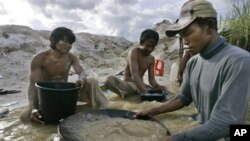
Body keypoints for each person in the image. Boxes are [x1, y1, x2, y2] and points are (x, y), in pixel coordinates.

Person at [136, 0, 250, 141]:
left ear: (210, 26)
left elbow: (226, 123)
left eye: (188, 33)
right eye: (182, 36)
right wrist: (153, 111)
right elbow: (183, 97)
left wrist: (176, 139)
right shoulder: (193, 63)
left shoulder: (239, 61)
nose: (184, 41)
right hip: (201, 127)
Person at [27, 27, 109, 124]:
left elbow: (82, 72)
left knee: (91, 80)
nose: (69, 45)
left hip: (66, 95)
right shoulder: (39, 59)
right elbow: (33, 86)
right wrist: (34, 108)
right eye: (65, 41)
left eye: (70, 42)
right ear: (53, 40)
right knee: (27, 117)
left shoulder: (71, 57)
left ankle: (103, 110)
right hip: (47, 97)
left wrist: (81, 79)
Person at [104, 29, 167, 98]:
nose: (150, 49)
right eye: (148, 46)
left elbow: (151, 79)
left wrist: (158, 86)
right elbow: (135, 75)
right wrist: (146, 92)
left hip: (141, 86)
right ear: (141, 43)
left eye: (153, 46)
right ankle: (135, 93)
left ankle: (134, 94)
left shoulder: (151, 59)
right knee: (109, 80)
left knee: (161, 92)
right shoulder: (134, 52)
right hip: (128, 84)